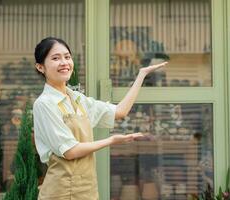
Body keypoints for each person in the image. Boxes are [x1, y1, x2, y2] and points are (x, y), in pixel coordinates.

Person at [33, 37, 168, 200]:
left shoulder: (77, 99)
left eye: (67, 57)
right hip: (61, 191)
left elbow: (119, 111)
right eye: (56, 58)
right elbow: (69, 151)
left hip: (87, 190)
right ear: (40, 67)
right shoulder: (45, 104)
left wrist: (141, 75)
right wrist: (111, 141)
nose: (64, 62)